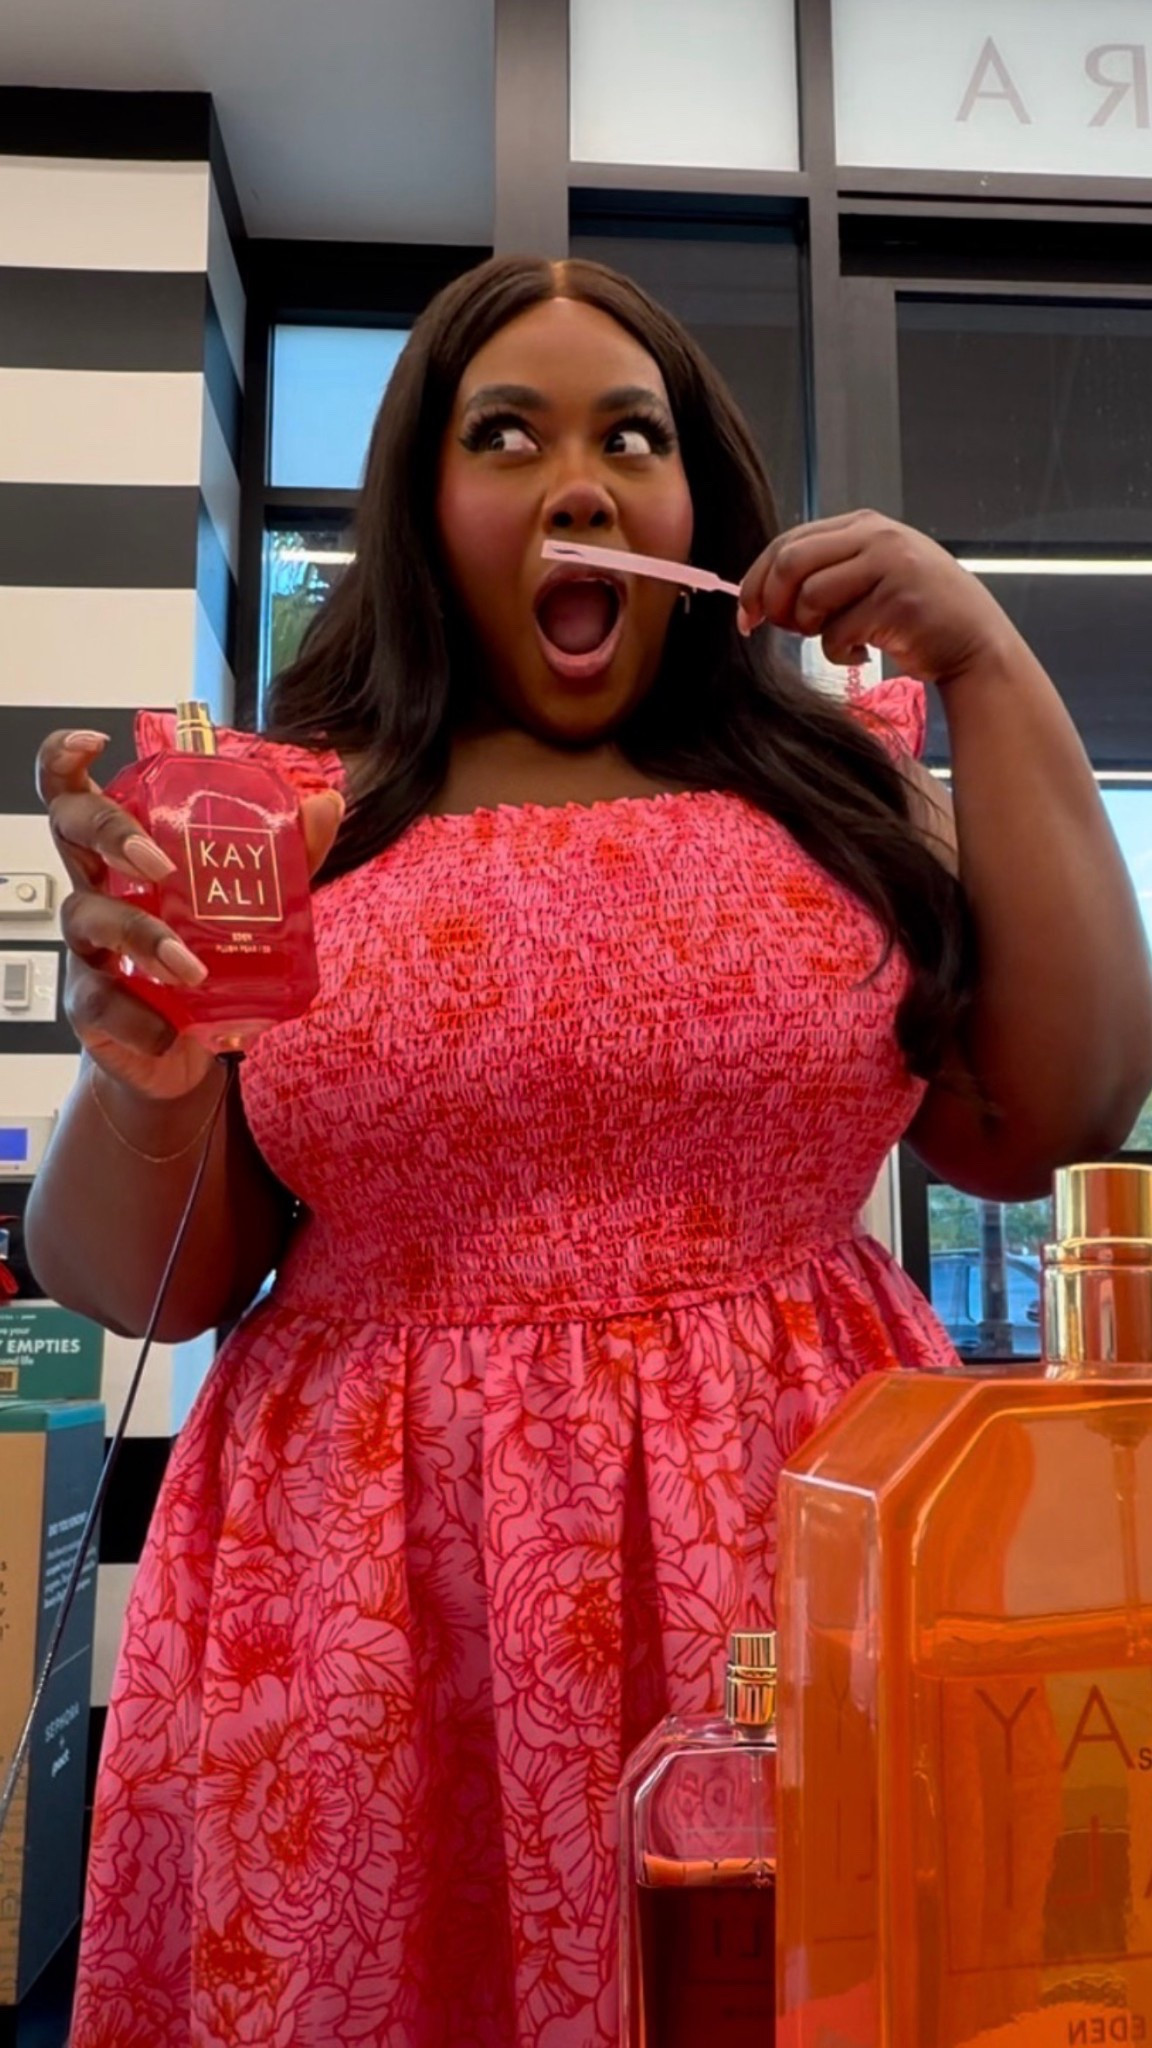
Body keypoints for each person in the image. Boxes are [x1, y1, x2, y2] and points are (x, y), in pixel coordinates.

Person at [26, 254, 1152, 2048]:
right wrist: (148, 1081)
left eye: (634, 436)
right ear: (423, 503)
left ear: (697, 499)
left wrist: (991, 658)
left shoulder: (838, 792)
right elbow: (141, 1277)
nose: (582, 481)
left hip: (803, 1561)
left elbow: (1058, 1114)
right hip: (371, 1609)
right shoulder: (291, 814)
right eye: (507, 435)